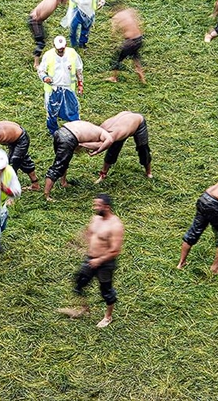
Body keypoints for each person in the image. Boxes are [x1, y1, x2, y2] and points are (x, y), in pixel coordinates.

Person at [57, 194, 124, 328]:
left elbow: (115, 250)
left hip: (105, 263)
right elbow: (89, 233)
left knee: (106, 291)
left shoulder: (115, 225)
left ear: (107, 207)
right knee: (79, 283)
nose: (95, 207)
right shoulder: (95, 218)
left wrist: (99, 260)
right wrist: (78, 243)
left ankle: (108, 317)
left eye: (98, 205)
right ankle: (84, 309)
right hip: (91, 258)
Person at [44, 120, 114, 201]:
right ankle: (47, 196)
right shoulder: (106, 135)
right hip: (69, 138)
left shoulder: (94, 128)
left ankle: (63, 182)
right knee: (58, 167)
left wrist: (81, 144)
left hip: (60, 131)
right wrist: (96, 152)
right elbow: (109, 141)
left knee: (63, 162)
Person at [37, 36, 83, 135]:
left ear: (66, 45)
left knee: (73, 109)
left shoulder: (72, 53)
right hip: (53, 88)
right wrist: (45, 77)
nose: (61, 50)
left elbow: (79, 70)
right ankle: (53, 132)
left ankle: (76, 130)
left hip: (68, 88)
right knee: (51, 111)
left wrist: (80, 84)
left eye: (62, 48)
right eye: (58, 48)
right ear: (54, 46)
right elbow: (41, 70)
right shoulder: (48, 55)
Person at [92, 111, 152, 183]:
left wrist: (96, 151)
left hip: (139, 123)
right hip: (126, 120)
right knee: (113, 151)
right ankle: (103, 174)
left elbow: (103, 145)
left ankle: (148, 173)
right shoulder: (103, 127)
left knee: (143, 150)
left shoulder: (117, 134)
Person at [27, 0, 68, 68]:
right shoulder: (51, 5)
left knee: (43, 36)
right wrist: (39, 14)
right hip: (35, 21)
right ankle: (36, 64)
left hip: (34, 17)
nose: (66, 2)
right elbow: (39, 17)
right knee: (41, 42)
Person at [107, 5, 145, 83]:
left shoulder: (117, 17)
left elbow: (113, 32)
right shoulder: (129, 11)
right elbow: (139, 20)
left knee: (117, 58)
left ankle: (114, 77)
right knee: (135, 57)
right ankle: (141, 77)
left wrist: (114, 34)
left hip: (130, 42)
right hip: (139, 39)